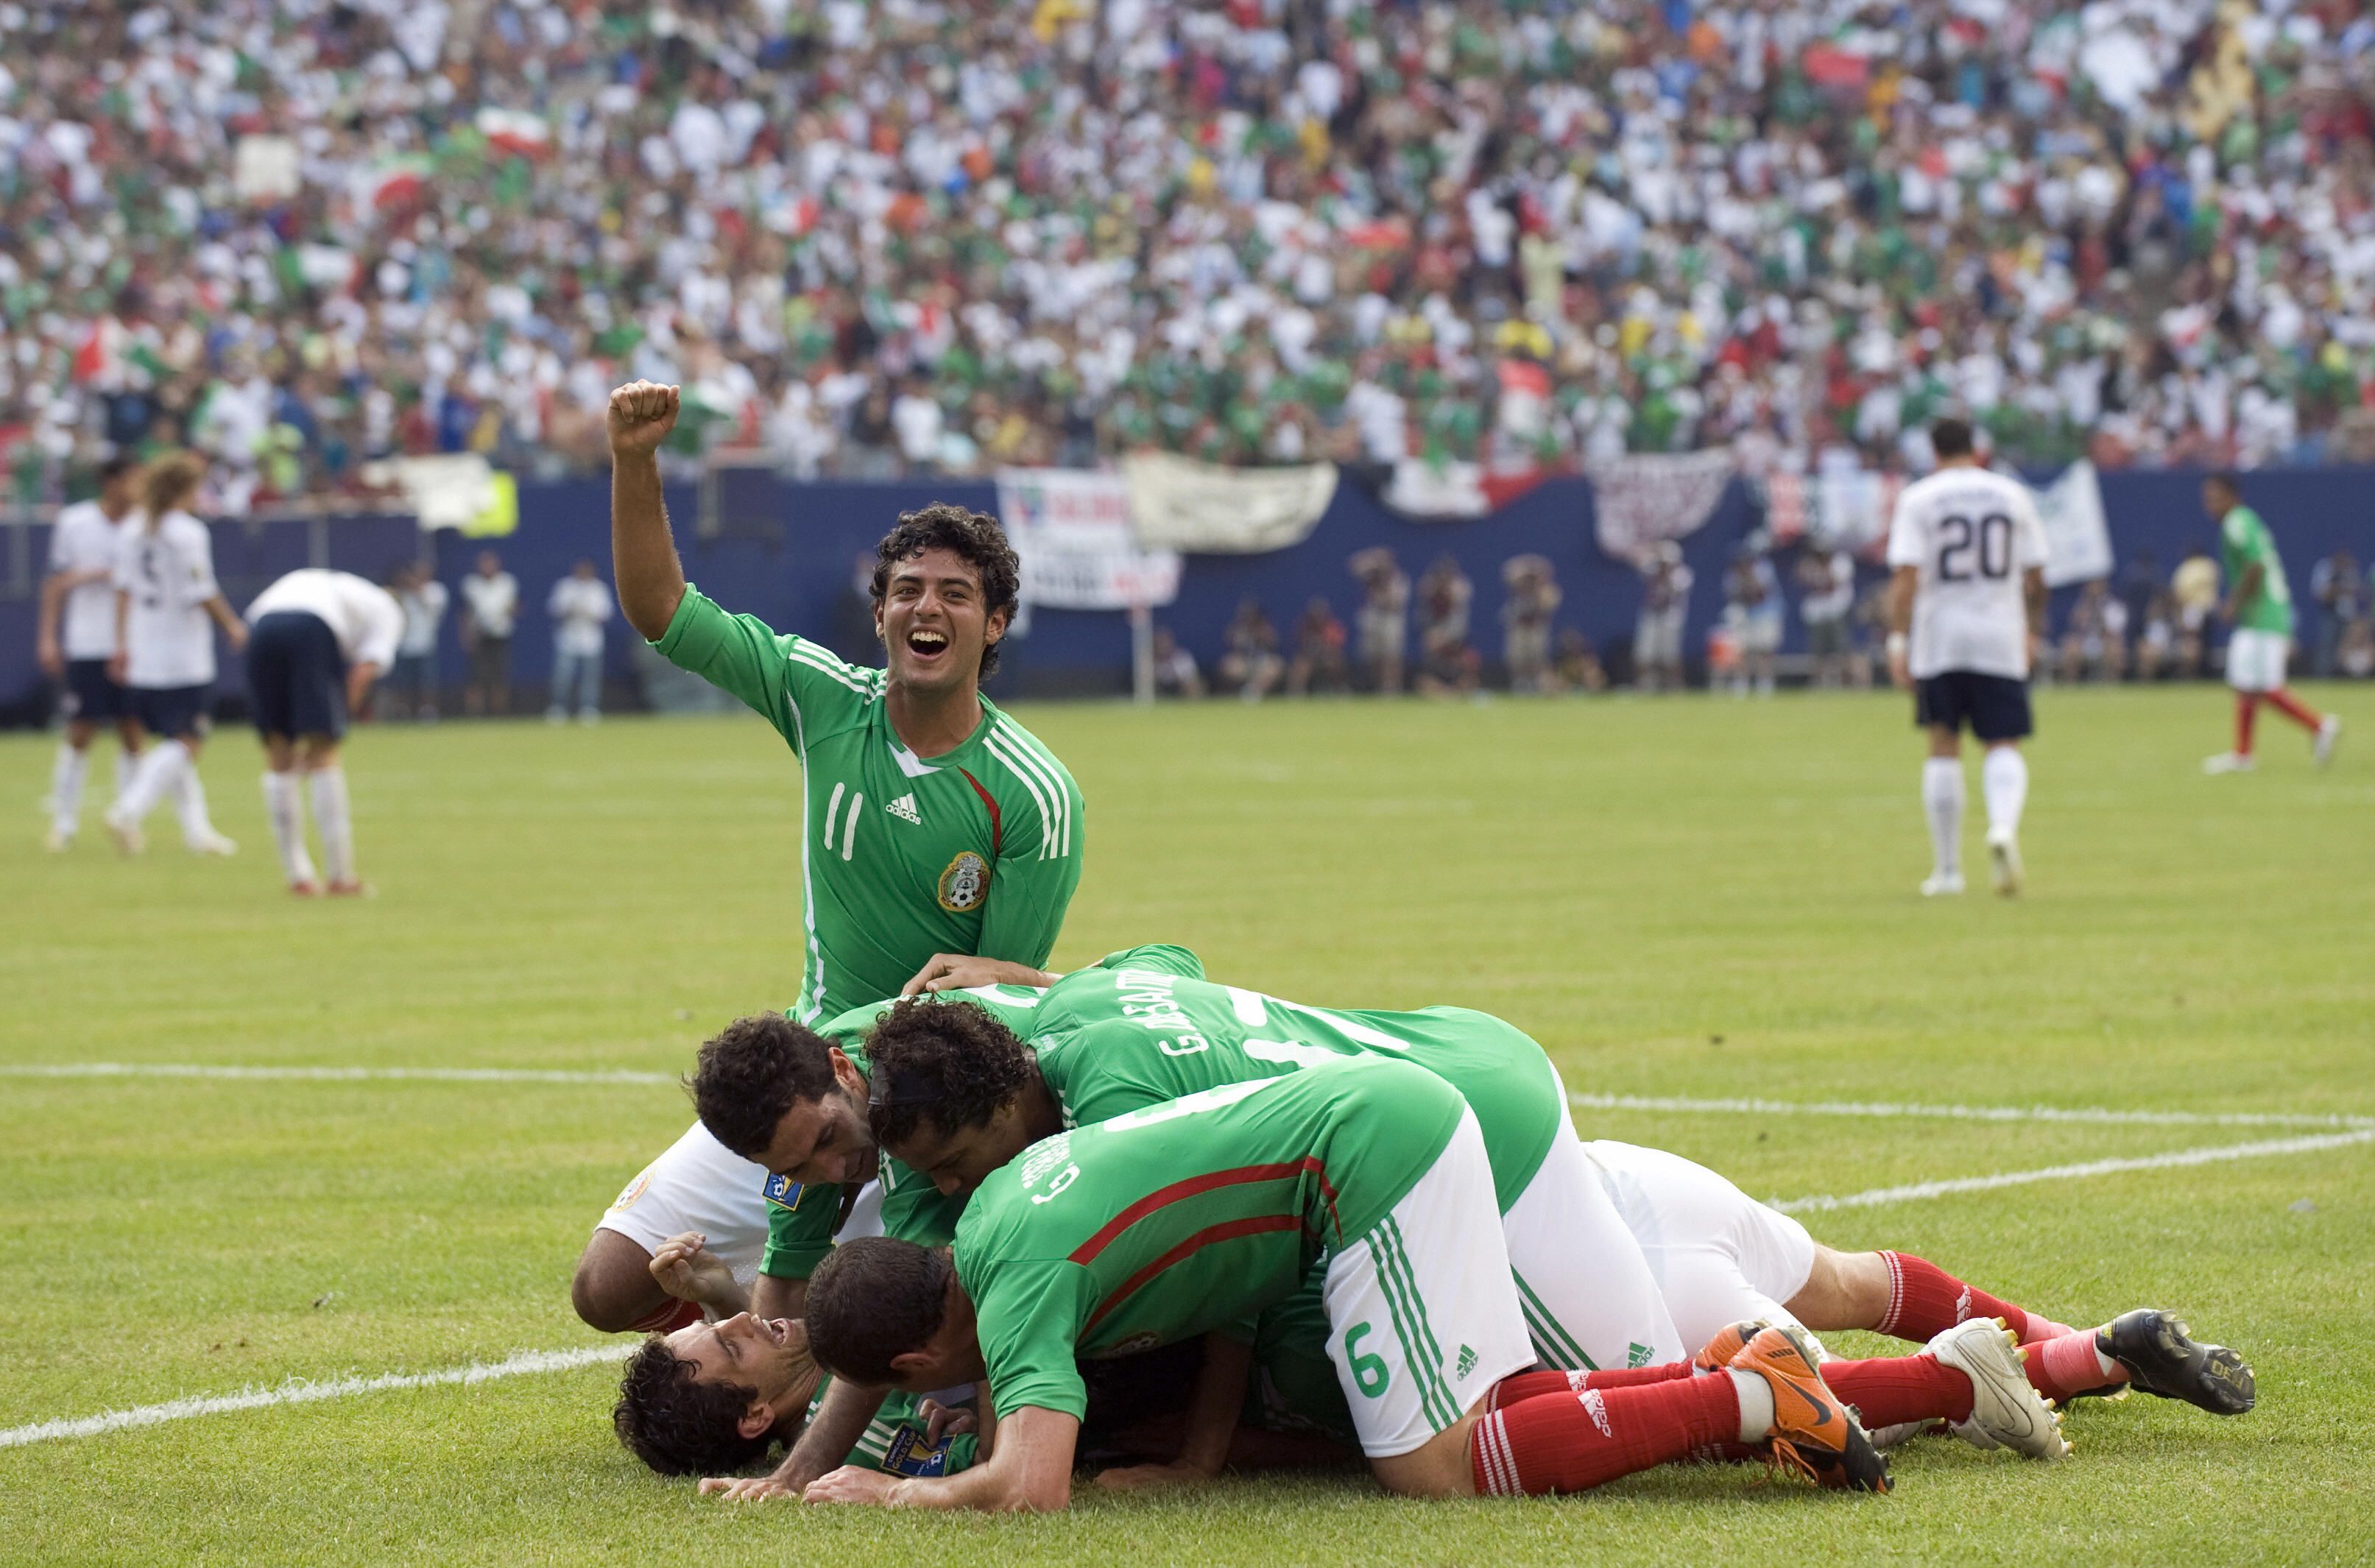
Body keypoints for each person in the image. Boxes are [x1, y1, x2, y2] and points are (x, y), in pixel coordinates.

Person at [798, 1056, 1894, 1510]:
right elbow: (1220, 1298)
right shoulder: (998, 1206)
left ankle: (1752, 1393)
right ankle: (1795, 1384)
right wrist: (1195, 1460)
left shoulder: (1016, 1282)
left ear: (919, 1357)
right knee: (1483, 1418)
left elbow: (1030, 1484)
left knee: (1429, 1463)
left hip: (1374, 1151)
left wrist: (900, 1488)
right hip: (1368, 1117)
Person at [576, 378, 1084, 1339]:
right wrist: (635, 461)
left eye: (954, 594)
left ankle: (788, 1322)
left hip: (915, 1111)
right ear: (882, 610)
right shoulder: (821, 698)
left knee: (881, 1333)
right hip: (802, 1082)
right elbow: (661, 610)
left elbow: (992, 1005)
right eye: (906, 590)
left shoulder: (1032, 792)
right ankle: (760, 1313)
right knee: (606, 1285)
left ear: (995, 622)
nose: (924, 608)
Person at [1885, 418, 2048, 898]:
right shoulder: (2011, 495)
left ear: (1934, 453)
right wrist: (2032, 631)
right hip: (1999, 631)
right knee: (2003, 742)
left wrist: (1898, 640)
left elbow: (1906, 577)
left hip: (1942, 637)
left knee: (1942, 744)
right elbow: (2037, 575)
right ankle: (2002, 827)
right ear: (1977, 450)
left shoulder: (1919, 498)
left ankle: (1949, 871)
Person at [102, 453, 245, 857]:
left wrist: (120, 644)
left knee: (172, 742)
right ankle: (127, 808)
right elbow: (201, 591)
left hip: (144, 648)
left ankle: (197, 833)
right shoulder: (187, 532)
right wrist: (232, 626)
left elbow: (122, 590)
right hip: (184, 652)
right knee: (186, 741)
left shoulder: (133, 529)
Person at [241, 568, 404, 895]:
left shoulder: (335, 584)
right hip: (311, 627)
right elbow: (361, 674)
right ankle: (340, 876)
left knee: (278, 753)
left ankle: (297, 876)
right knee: (323, 755)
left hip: (261, 628)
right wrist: (334, 725)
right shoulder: (389, 612)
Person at [35, 456, 144, 850]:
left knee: (132, 731)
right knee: (81, 730)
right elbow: (55, 583)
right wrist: (48, 638)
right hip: (87, 642)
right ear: (110, 481)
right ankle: (63, 824)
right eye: (132, 478)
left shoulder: (145, 524)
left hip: (133, 645)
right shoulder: (75, 523)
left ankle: (128, 820)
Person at [2199, 475, 2340, 773]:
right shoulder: (2246, 520)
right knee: (2246, 684)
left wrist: (2233, 602)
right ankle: (2243, 754)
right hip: (2260, 615)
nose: (2209, 505)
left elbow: (2256, 565)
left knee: (2264, 686)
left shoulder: (2236, 521)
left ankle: (2320, 725)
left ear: (2232, 496)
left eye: (2214, 497)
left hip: (2264, 615)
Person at [546, 558, 615, 724]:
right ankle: (559, 708)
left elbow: (606, 614)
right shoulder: (566, 587)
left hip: (591, 641)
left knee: (590, 678)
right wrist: (570, 609)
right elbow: (554, 609)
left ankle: (588, 709)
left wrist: (588, 612)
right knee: (563, 677)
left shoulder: (599, 589)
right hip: (568, 640)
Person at [459, 550, 519, 716]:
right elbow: (466, 612)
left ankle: (499, 713)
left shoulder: (507, 582)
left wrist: (504, 613)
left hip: (500, 634)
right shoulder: (471, 584)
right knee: (475, 678)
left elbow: (515, 607)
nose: (487, 567)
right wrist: (467, 635)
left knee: (499, 677)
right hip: (479, 636)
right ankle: (474, 714)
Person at [1721, 543, 1782, 698]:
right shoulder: (1733, 574)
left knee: (1764, 650)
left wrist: (1749, 578)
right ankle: (1741, 684)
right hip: (1744, 614)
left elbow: (1760, 592)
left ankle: (1765, 684)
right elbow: (1733, 595)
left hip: (1765, 612)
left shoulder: (1763, 568)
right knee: (1742, 651)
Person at [389, 562, 448, 721]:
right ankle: (403, 713)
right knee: (402, 684)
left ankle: (427, 712)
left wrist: (413, 587)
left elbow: (428, 604)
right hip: (404, 645)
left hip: (425, 645)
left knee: (427, 683)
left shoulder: (436, 591)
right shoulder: (402, 594)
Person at [1413, 554, 1478, 698]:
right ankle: (1446, 693)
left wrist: (1448, 640)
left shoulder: (1460, 590)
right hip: (1437, 639)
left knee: (1470, 665)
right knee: (1425, 680)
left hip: (1454, 637)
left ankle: (1455, 693)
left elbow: (1459, 627)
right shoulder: (1430, 595)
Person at [1347, 548, 1408, 694]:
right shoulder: (1371, 576)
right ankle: (1375, 686)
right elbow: (1353, 565)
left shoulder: (1398, 578)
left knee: (1391, 656)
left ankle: (1392, 687)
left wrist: (1382, 597)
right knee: (1373, 656)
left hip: (1390, 618)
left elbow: (1393, 603)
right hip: (1373, 617)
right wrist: (1373, 559)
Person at [1796, 545, 1856, 691]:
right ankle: (1818, 682)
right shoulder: (1810, 563)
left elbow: (1832, 583)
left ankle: (1845, 682)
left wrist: (1826, 567)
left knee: (1842, 648)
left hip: (1837, 610)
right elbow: (1801, 579)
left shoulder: (1840, 561)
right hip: (1817, 613)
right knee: (1817, 651)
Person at [1633, 543, 1692, 692]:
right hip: (1651, 615)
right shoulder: (1653, 570)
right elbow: (1640, 565)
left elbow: (1672, 593)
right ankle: (1646, 686)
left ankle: (1674, 686)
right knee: (1644, 654)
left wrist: (1664, 575)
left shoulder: (1682, 574)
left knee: (1670, 656)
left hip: (1671, 618)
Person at [1499, 556, 1559, 694]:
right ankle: (1520, 684)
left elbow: (1547, 606)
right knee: (1517, 658)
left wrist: (1538, 586)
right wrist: (1525, 574)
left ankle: (1535, 684)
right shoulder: (1518, 589)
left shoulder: (1547, 591)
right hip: (1519, 628)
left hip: (1536, 628)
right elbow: (1508, 574)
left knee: (1536, 657)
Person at [2309, 548, 2365, 679]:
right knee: (2327, 646)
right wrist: (2338, 589)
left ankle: (2343, 677)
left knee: (2345, 647)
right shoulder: (2325, 569)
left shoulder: (2350, 570)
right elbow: (2322, 594)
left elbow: (2357, 591)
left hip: (2346, 615)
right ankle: (2322, 677)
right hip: (2329, 613)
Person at [1215, 598, 1285, 702]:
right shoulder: (1238, 628)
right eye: (1247, 614)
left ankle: (1254, 692)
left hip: (1262, 660)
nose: (1250, 617)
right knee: (1228, 665)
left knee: (1275, 666)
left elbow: (1274, 643)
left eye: (1252, 614)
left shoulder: (1264, 628)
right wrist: (1239, 636)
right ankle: (1244, 692)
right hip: (1243, 661)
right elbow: (1228, 642)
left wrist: (1261, 636)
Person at [1283, 598, 1348, 696]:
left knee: (1333, 662)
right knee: (1301, 664)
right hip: (1310, 659)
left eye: (1320, 614)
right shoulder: (1305, 627)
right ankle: (1295, 692)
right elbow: (1301, 645)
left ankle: (1340, 690)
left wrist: (1324, 649)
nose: (1317, 617)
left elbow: (1337, 647)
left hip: (1327, 658)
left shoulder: (1332, 627)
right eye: (1314, 615)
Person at [1148, 627, 1204, 700]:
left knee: (1194, 685)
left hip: (1179, 688)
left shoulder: (1182, 657)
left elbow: (1191, 678)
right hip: (1159, 690)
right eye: (1159, 643)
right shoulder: (1148, 660)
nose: (1163, 646)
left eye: (1165, 642)